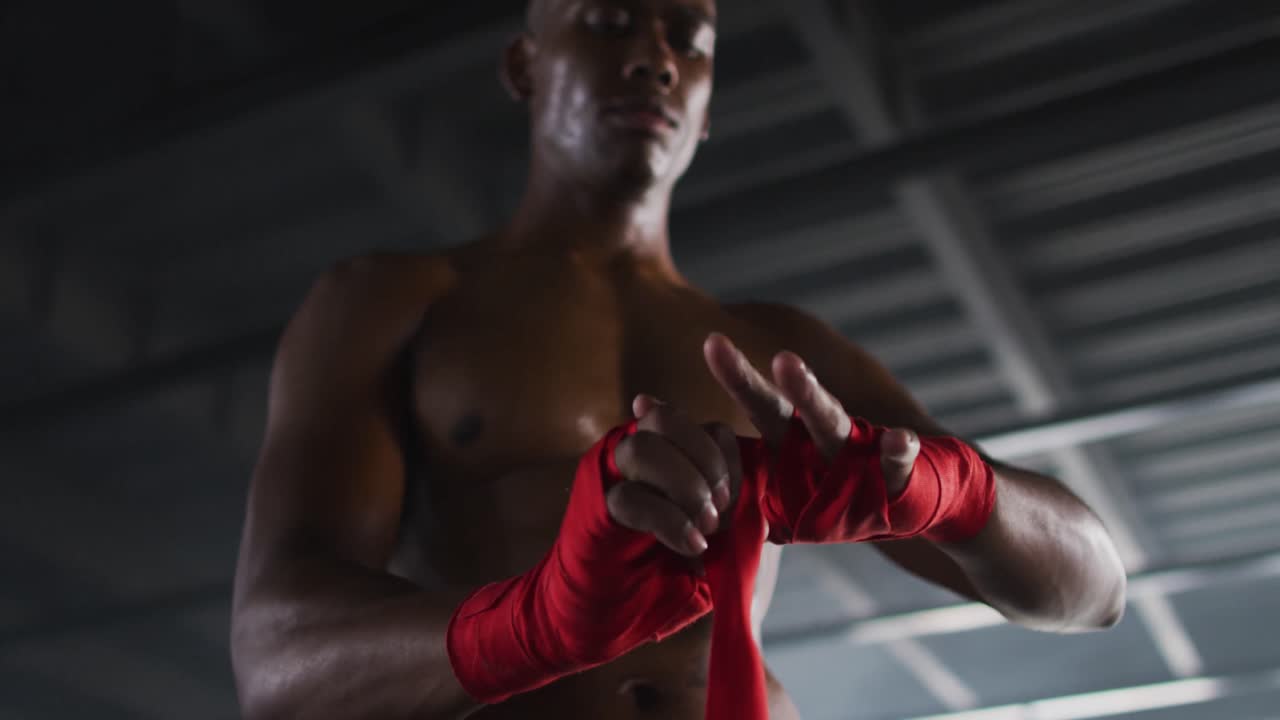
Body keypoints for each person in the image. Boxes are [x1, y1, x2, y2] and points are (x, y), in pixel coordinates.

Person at [229, 0, 1129, 718]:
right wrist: (534, 624)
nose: (656, 59)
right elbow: (279, 671)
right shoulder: (394, 301)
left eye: (688, 42)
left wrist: (951, 493)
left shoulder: (786, 349)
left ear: (705, 111)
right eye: (610, 23)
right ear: (523, 66)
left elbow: (1095, 591)